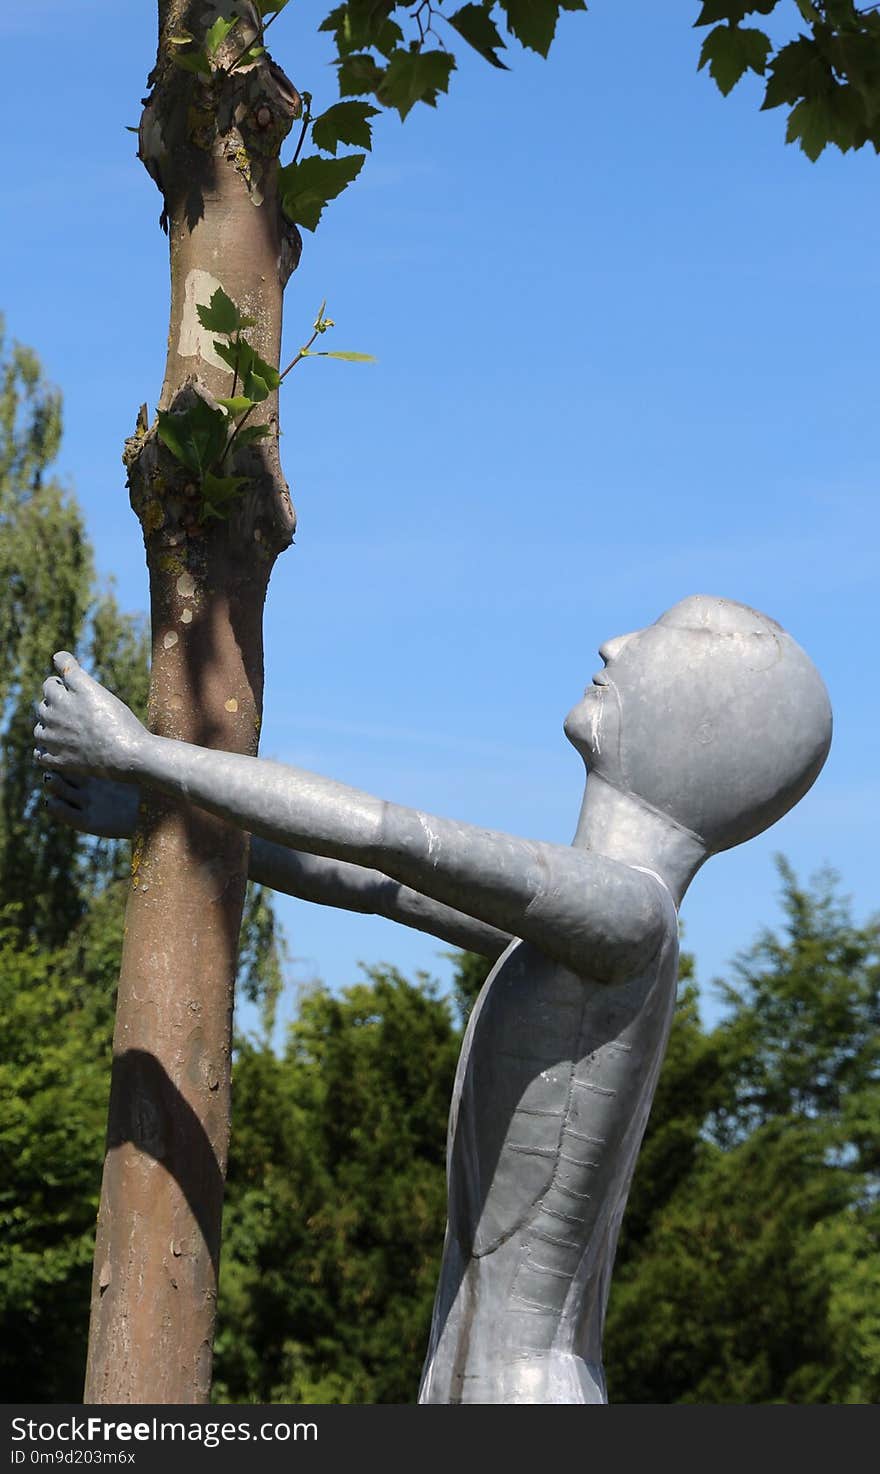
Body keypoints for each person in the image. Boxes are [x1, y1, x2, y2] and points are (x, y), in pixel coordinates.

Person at [34, 595, 832, 1404]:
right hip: (466, 1375)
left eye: (660, 638)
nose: (615, 644)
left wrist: (142, 755)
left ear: (706, 728)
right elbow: (378, 883)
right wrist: (158, 814)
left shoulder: (629, 915)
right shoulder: (585, 934)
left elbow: (385, 836)